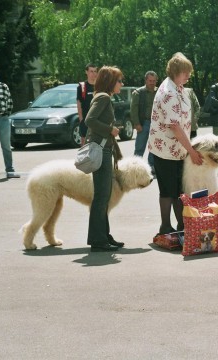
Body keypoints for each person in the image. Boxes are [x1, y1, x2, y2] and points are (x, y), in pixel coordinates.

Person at [148, 52, 203, 235]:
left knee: (179, 189)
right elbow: (175, 128)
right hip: (165, 150)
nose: (188, 76)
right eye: (185, 72)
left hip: (177, 149)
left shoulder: (179, 87)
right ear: (175, 72)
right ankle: (165, 226)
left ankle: (182, 226)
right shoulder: (168, 92)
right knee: (168, 190)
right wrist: (192, 152)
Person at [84, 66, 125, 252]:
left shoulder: (103, 97)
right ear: (110, 81)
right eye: (119, 80)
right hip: (102, 151)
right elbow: (89, 120)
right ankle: (97, 240)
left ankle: (103, 235)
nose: (121, 84)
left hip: (104, 150)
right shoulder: (103, 97)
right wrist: (110, 130)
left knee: (104, 196)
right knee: (101, 197)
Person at [131, 70, 158, 171]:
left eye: (154, 81)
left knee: (154, 148)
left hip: (156, 124)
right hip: (144, 123)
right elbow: (133, 110)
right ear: (146, 80)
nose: (152, 83)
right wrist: (137, 124)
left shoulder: (159, 92)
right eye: (150, 80)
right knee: (139, 147)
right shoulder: (138, 93)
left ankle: (151, 167)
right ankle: (135, 168)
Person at [76, 63, 98, 146]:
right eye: (91, 71)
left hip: (98, 120)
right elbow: (79, 104)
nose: (94, 74)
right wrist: (81, 120)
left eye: (95, 71)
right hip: (86, 120)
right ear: (86, 72)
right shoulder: (82, 87)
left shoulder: (99, 86)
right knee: (84, 144)